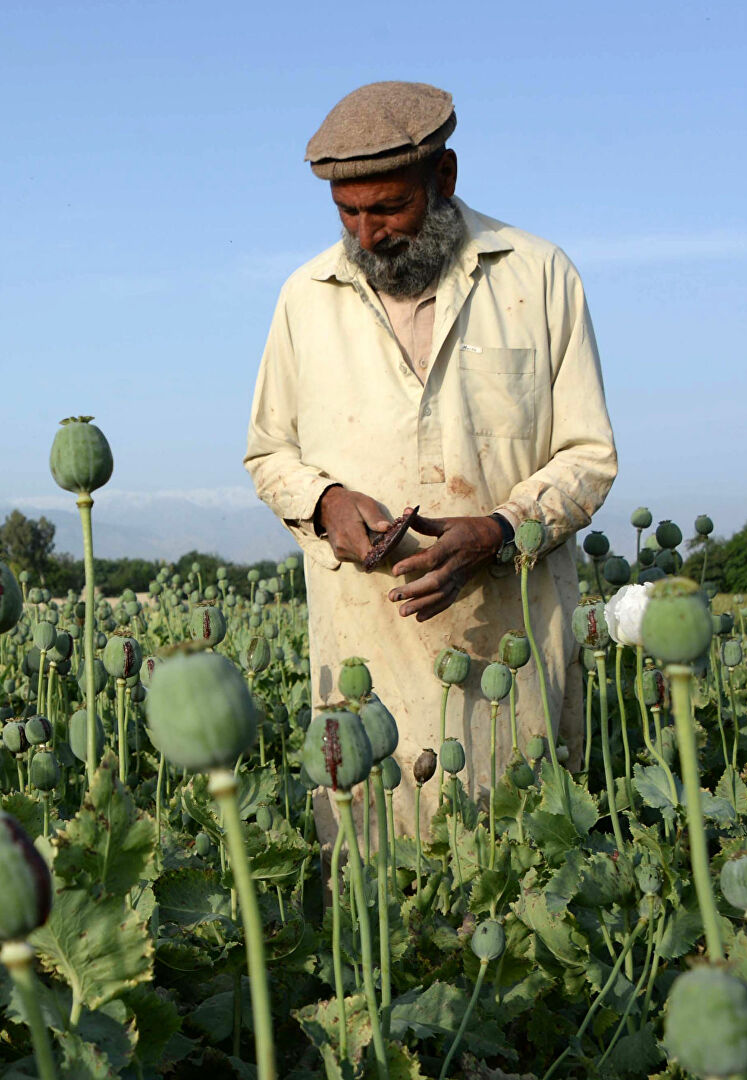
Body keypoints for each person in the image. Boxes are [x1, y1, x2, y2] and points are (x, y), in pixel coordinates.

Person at [244, 82, 617, 825]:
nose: (368, 234)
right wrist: (324, 501)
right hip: (364, 647)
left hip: (506, 644)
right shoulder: (305, 296)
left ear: (443, 178)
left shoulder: (537, 275)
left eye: (387, 209)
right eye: (348, 213)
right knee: (375, 892)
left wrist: (502, 529)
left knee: (512, 868)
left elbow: (587, 455)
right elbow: (268, 452)